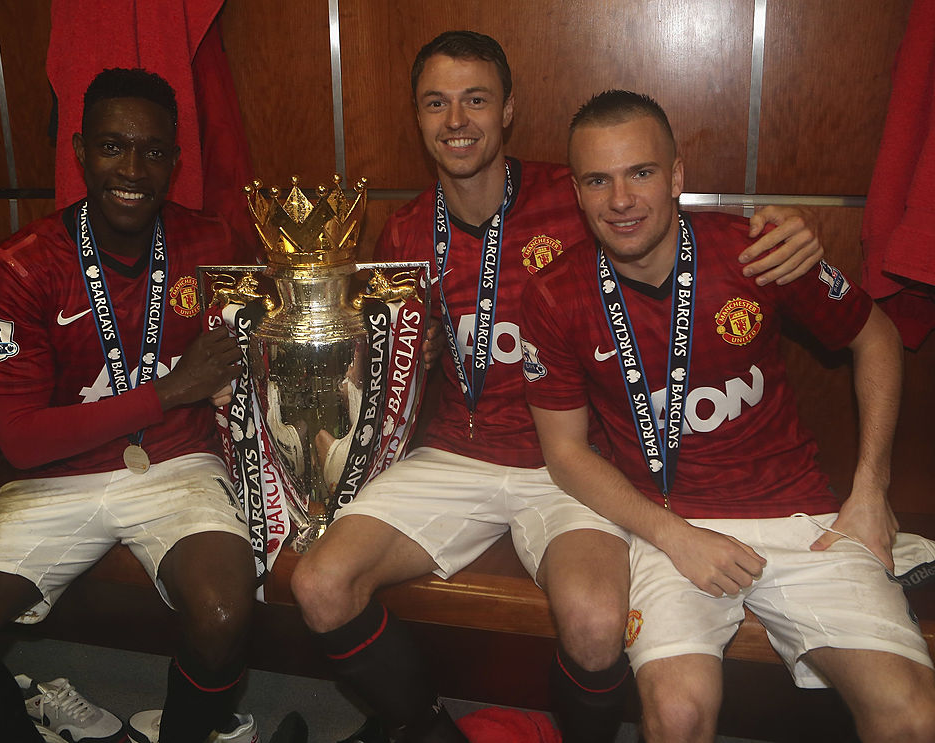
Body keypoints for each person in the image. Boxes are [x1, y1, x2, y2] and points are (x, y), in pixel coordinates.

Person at [291, 32, 824, 743]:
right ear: (417, 119)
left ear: (508, 110)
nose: (457, 121)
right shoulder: (408, 227)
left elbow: (681, 234)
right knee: (319, 585)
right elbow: (398, 359)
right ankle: (424, 727)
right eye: (436, 103)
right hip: (459, 450)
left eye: (475, 99)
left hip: (570, 464)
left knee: (599, 623)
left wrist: (789, 234)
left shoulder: (577, 195)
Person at [521, 89, 935, 742]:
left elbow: (876, 336)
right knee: (677, 715)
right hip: (668, 527)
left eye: (642, 172)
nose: (621, 200)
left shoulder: (756, 250)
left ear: (678, 176)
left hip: (798, 517)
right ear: (576, 191)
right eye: (598, 180)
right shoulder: (553, 291)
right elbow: (566, 453)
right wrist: (676, 536)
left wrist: (871, 487)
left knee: (913, 714)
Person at [0, 68, 259, 743]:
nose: (132, 168)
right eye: (112, 146)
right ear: (79, 151)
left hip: (176, 463)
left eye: (153, 151)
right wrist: (168, 389)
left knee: (222, 612)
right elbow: (20, 440)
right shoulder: (22, 262)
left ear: (175, 160)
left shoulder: (214, 246)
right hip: (58, 474)